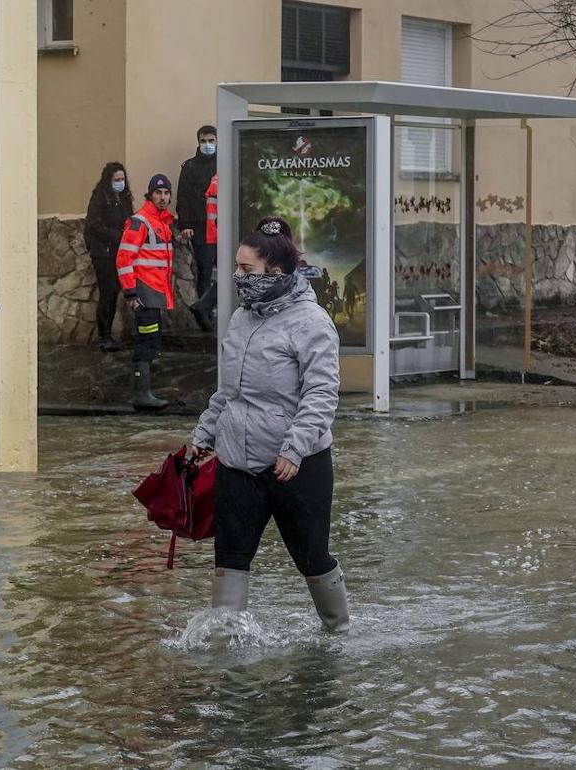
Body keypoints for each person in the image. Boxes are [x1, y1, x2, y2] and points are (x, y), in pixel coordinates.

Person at [189, 216, 348, 633]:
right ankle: (225, 645)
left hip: (294, 465)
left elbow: (321, 395)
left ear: (275, 273)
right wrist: (204, 435)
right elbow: (229, 390)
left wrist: (294, 448)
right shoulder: (241, 318)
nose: (237, 277)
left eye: (247, 270)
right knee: (230, 557)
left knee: (312, 556)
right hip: (237, 461)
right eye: (236, 268)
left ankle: (338, 634)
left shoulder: (311, 323)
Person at [116, 173, 176, 410]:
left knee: (151, 340)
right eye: (158, 193)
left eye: (166, 193)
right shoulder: (140, 221)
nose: (162, 197)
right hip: (145, 292)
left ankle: (145, 392)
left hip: (155, 292)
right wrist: (131, 293)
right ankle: (142, 395)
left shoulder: (162, 222)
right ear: (150, 194)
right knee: (146, 341)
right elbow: (123, 258)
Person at [83, 162, 134, 352]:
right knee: (107, 293)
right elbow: (93, 225)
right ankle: (104, 336)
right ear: (108, 180)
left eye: (122, 179)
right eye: (116, 180)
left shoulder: (124, 197)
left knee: (113, 294)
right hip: (104, 253)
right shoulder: (100, 197)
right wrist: (116, 235)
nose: (120, 183)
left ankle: (108, 335)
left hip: (119, 252)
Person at [177, 125, 219, 332]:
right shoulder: (190, 167)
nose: (208, 145)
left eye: (211, 141)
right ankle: (206, 317)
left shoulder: (226, 162)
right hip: (201, 228)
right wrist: (185, 225)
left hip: (223, 227)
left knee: (231, 271)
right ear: (198, 142)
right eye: (204, 141)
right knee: (205, 270)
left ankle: (211, 308)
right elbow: (182, 198)